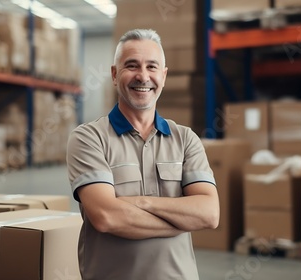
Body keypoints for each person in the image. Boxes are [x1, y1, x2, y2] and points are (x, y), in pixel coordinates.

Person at [66, 29, 220, 280]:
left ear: (164, 75)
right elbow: (106, 217)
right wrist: (182, 218)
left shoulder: (185, 139)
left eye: (152, 67)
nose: (143, 76)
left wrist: (140, 202)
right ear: (115, 75)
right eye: (131, 65)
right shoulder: (89, 138)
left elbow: (209, 213)